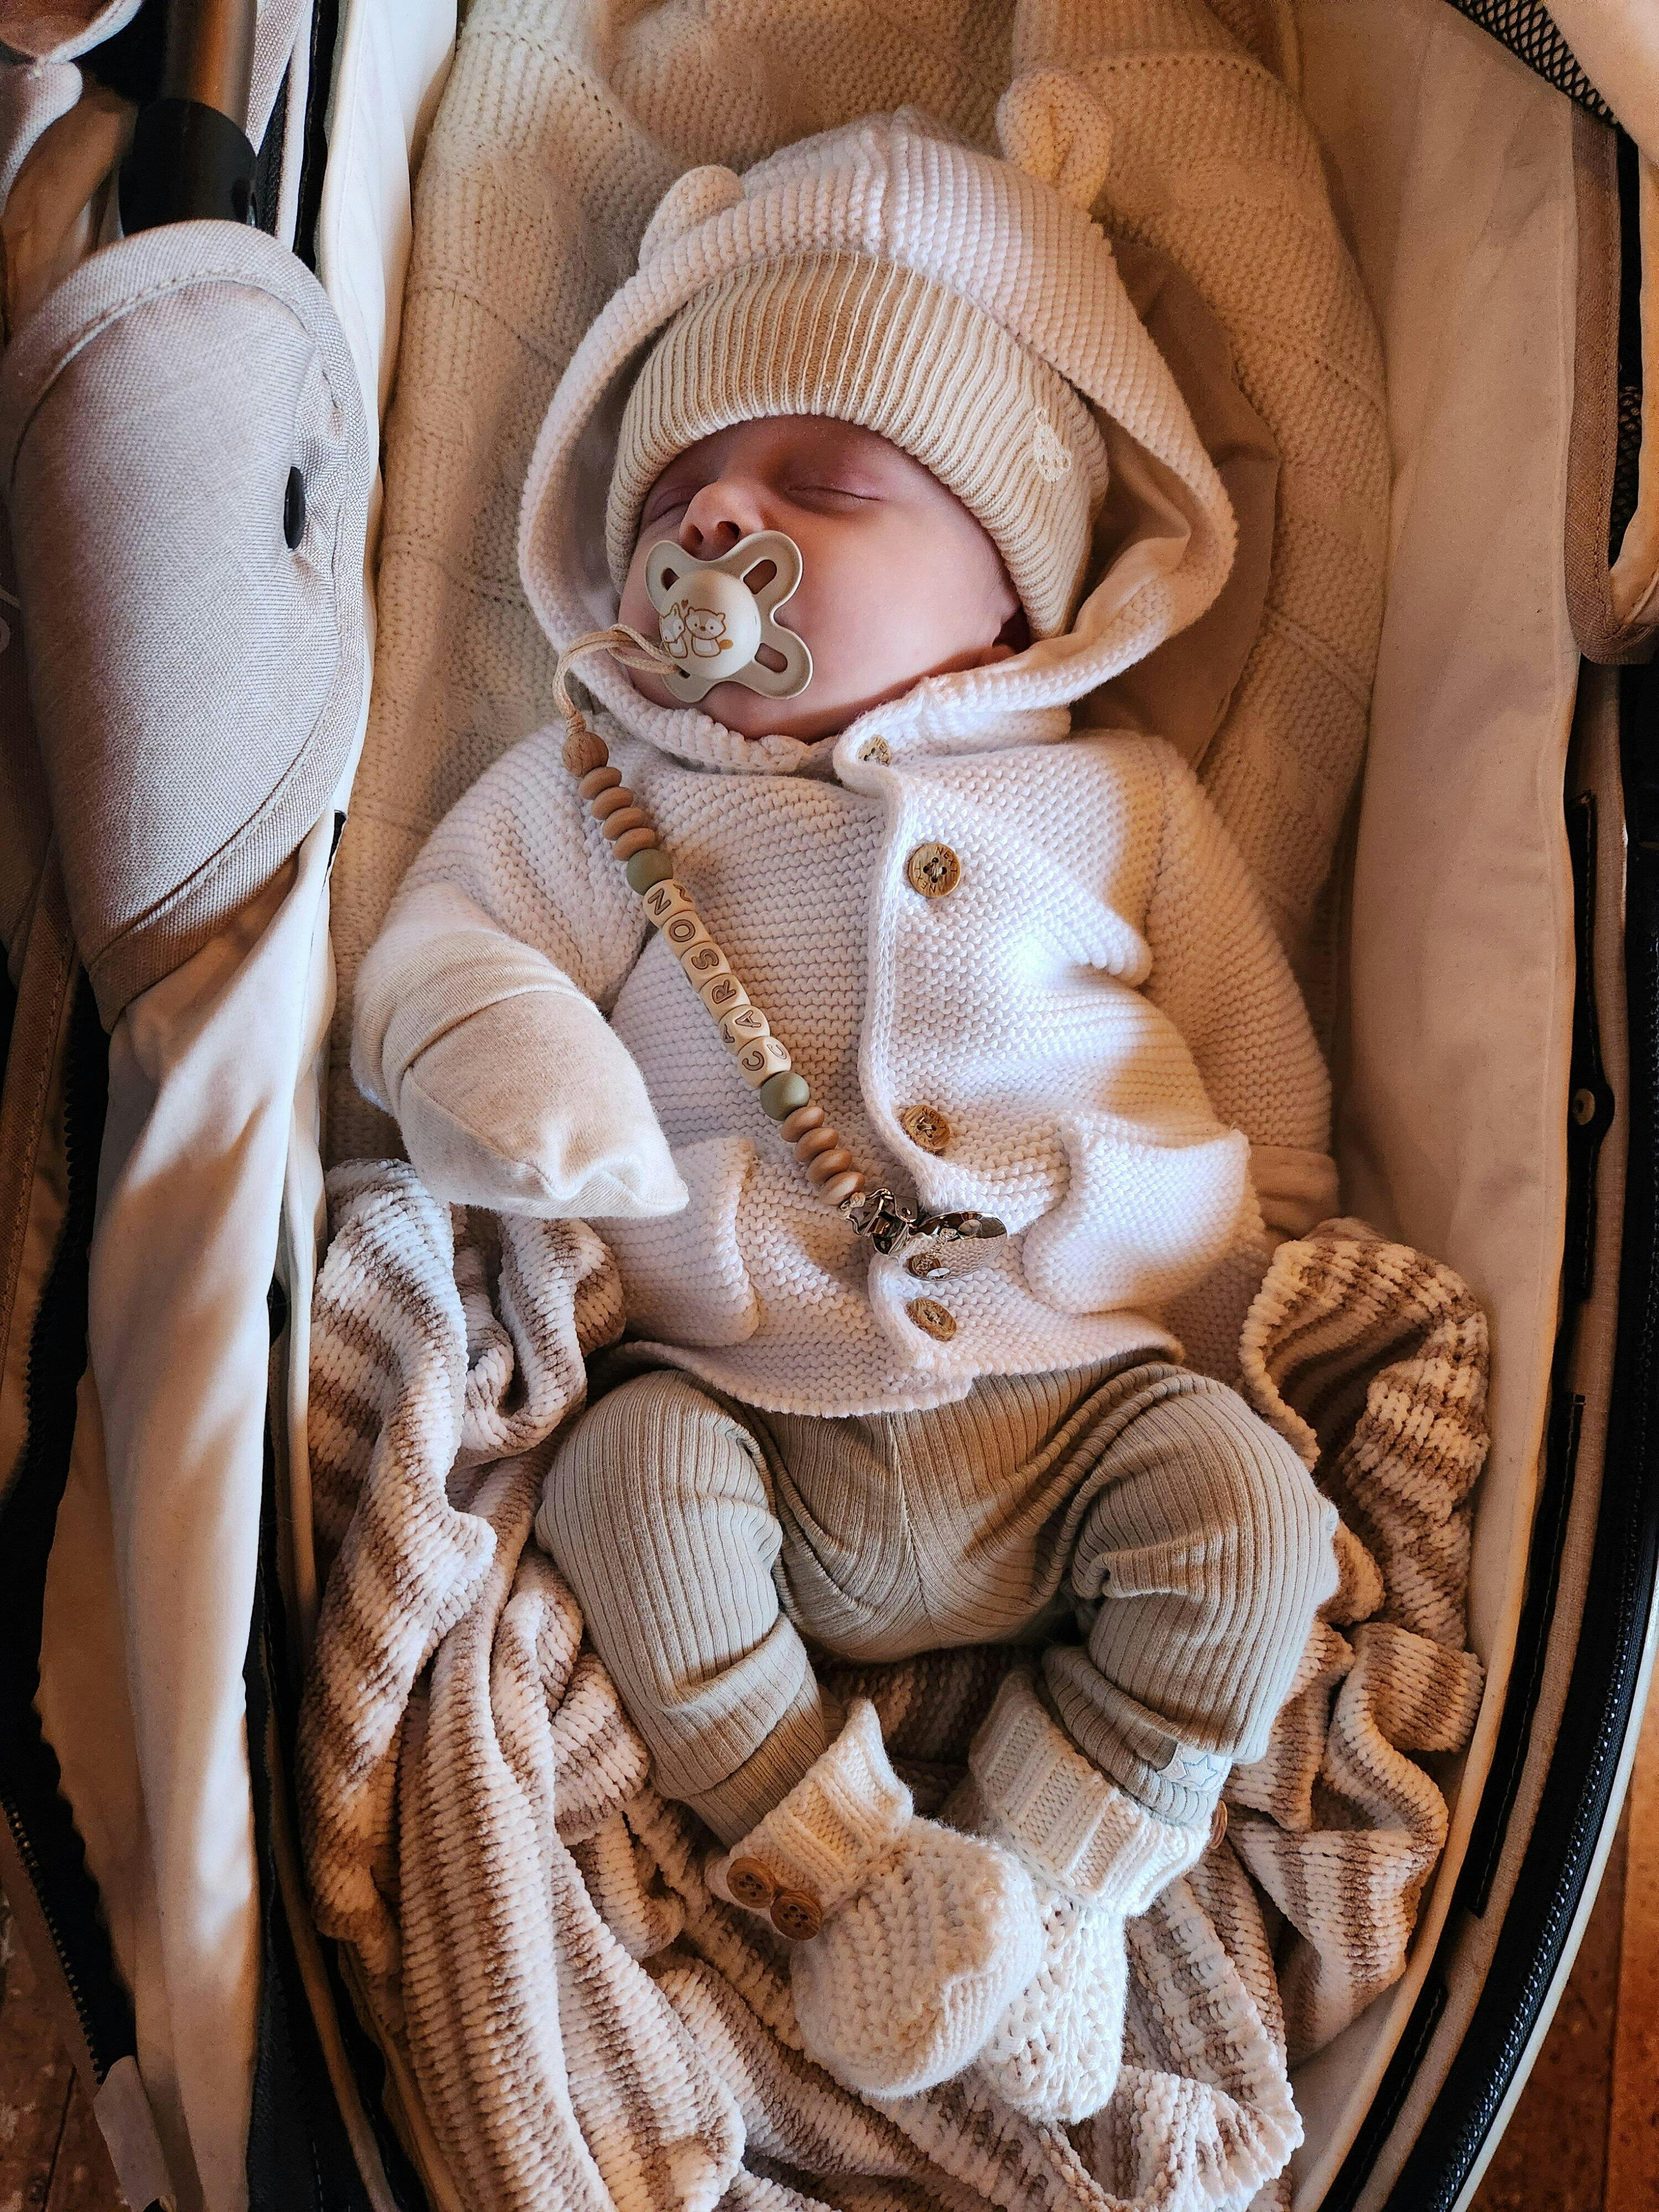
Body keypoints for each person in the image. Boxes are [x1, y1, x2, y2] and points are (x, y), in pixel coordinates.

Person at [352, 94, 1338, 2121]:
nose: (726, 521)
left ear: (1014, 598)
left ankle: (1045, 1892)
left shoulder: (1116, 799)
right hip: (752, 1393)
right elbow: (451, 946)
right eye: (679, 495)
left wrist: (1279, 1263)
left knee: (1257, 1529)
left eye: (822, 484)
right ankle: (848, 1874)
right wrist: (509, 1059)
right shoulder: (609, 792)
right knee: (625, 1493)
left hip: (1081, 1392)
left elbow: (1253, 1044)